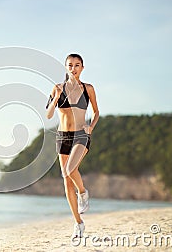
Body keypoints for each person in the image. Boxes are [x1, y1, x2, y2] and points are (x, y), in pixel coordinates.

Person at [46, 54, 99, 243]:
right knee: (66, 181)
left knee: (70, 170)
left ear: (82, 68)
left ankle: (83, 192)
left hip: (81, 135)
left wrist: (90, 127)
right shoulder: (57, 88)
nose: (73, 68)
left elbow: (96, 112)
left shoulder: (88, 88)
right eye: (70, 65)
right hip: (62, 137)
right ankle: (78, 223)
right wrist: (56, 98)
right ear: (65, 67)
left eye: (77, 65)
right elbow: (49, 114)